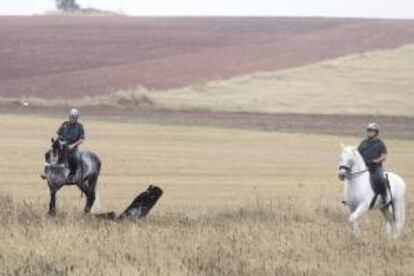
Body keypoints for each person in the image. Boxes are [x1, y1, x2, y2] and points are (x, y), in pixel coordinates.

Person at [357, 122, 387, 203]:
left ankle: (384, 196)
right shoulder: (363, 143)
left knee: (380, 179)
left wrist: (376, 161)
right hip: (364, 167)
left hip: (375, 168)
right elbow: (357, 154)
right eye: (368, 130)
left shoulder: (380, 143)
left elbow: (384, 156)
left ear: (376, 132)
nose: (369, 132)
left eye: (371, 131)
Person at [57, 108, 85, 183]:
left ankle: (72, 175)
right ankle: (47, 172)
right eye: (71, 117)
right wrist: (59, 142)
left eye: (74, 118)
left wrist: (73, 145)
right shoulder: (64, 124)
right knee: (52, 155)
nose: (72, 119)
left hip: (73, 149)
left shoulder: (79, 126)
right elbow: (58, 135)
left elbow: (81, 139)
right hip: (62, 147)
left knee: (75, 158)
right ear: (69, 116)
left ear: (77, 118)